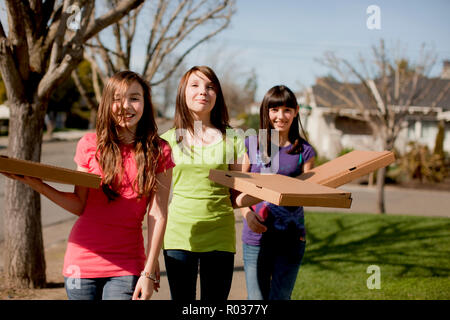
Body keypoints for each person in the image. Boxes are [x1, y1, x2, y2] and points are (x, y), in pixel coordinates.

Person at [2, 71, 175, 300]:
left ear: (145, 103)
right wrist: (35, 183)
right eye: (117, 98)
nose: (125, 106)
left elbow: (158, 214)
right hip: (82, 259)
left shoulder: (159, 151)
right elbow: (78, 205)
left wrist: (150, 270)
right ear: (107, 104)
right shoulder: (89, 145)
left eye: (134, 98)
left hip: (127, 263)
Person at [160, 65, 248, 301]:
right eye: (195, 85)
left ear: (217, 95)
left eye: (210, 87)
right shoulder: (166, 141)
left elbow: (237, 196)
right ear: (183, 93)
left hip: (220, 235)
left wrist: (271, 193)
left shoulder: (234, 139)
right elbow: (156, 200)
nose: (203, 92)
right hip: (179, 235)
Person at [240, 85, 316, 300]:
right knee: (256, 301)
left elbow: (308, 194)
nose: (280, 116)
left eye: (286, 110)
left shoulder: (304, 151)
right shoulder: (252, 145)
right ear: (266, 111)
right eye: (274, 110)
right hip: (256, 236)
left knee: (280, 298)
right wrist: (247, 214)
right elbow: (237, 187)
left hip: (290, 238)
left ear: (296, 111)